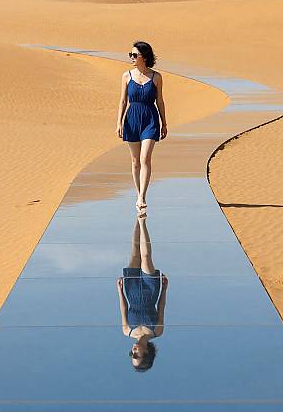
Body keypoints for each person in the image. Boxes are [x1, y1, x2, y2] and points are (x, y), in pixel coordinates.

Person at [116, 41, 168, 216]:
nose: (131, 58)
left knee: (145, 158)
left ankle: (142, 197)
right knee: (135, 161)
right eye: (130, 54)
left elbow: (160, 101)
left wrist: (164, 123)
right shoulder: (126, 76)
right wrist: (119, 122)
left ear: (144, 57)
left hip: (150, 119)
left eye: (134, 55)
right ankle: (138, 193)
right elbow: (123, 101)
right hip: (132, 119)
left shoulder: (156, 77)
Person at [116, 216, 168, 372]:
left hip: (131, 292)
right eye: (136, 355)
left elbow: (123, 309)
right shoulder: (157, 331)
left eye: (131, 354)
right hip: (150, 291)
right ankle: (143, 220)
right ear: (146, 353)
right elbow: (161, 307)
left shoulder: (127, 331)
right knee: (145, 257)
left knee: (134, 252)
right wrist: (165, 289)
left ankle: (137, 215)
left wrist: (120, 291)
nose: (133, 352)